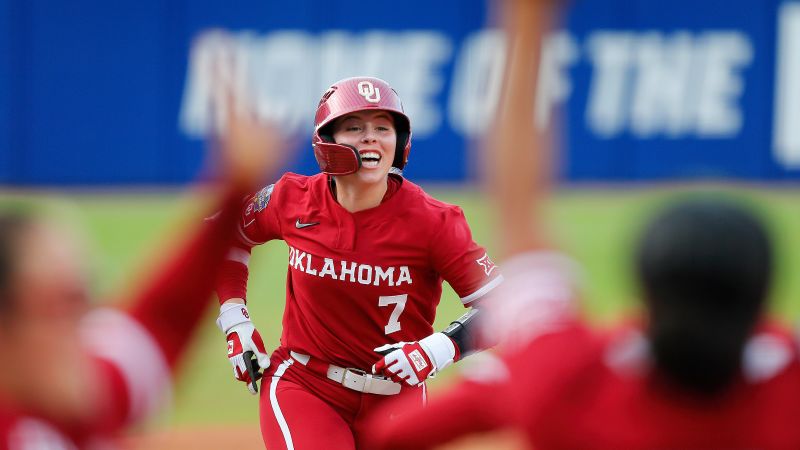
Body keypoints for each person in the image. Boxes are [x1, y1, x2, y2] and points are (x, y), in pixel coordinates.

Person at [366, 0, 800, 449]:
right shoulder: (789, 387)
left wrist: (526, 21)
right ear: (765, 297)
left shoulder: (569, 379)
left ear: (643, 289)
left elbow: (390, 435)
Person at [214, 76, 503, 449]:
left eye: (383, 127)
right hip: (305, 385)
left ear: (400, 143)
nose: (371, 137)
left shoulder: (434, 221)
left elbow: (503, 307)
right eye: (355, 127)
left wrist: (436, 349)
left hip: (399, 397)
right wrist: (235, 321)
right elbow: (223, 236)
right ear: (326, 142)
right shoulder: (292, 198)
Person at [0, 74, 285, 449]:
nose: (84, 324)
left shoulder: (80, 398)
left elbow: (160, 322)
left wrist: (236, 190)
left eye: (85, 297)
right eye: (62, 303)